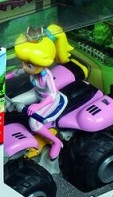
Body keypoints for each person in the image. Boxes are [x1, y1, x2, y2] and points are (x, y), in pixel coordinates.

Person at [13, 25, 74, 159]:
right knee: (12, 102)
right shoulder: (31, 69)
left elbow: (52, 95)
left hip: (50, 100)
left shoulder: (47, 76)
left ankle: (56, 142)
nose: (25, 67)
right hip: (37, 93)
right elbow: (17, 72)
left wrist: (39, 106)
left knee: (34, 123)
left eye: (29, 65)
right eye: (23, 63)